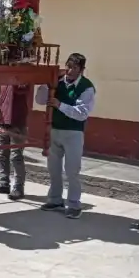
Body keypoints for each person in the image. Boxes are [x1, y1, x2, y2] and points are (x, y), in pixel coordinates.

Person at [35, 52, 95, 219]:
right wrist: (48, 83)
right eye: (68, 66)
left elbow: (82, 113)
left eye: (75, 68)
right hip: (55, 129)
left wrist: (59, 105)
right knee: (53, 169)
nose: (69, 71)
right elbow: (40, 100)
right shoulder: (58, 82)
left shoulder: (86, 87)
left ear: (81, 70)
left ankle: (74, 204)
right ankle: (55, 199)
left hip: (74, 133)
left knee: (72, 170)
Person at [0, 82, 31, 200]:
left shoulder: (23, 77)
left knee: (16, 156)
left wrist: (13, 80)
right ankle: (3, 183)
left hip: (17, 122)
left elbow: (21, 90)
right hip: (3, 120)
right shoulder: (5, 79)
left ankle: (18, 187)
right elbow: (4, 94)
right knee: (2, 154)